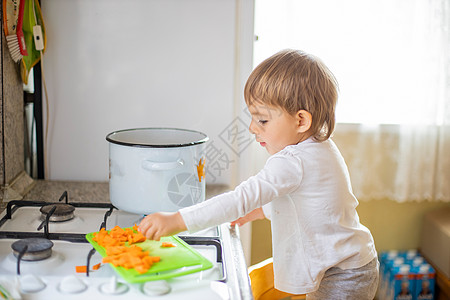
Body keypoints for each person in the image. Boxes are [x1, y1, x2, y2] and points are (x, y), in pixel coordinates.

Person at [139, 49, 379, 299]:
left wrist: (177, 220)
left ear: (301, 121)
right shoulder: (319, 147)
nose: (252, 128)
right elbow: (312, 202)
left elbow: (239, 199)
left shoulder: (293, 161)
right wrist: (260, 211)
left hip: (342, 274)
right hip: (351, 265)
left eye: (262, 120)